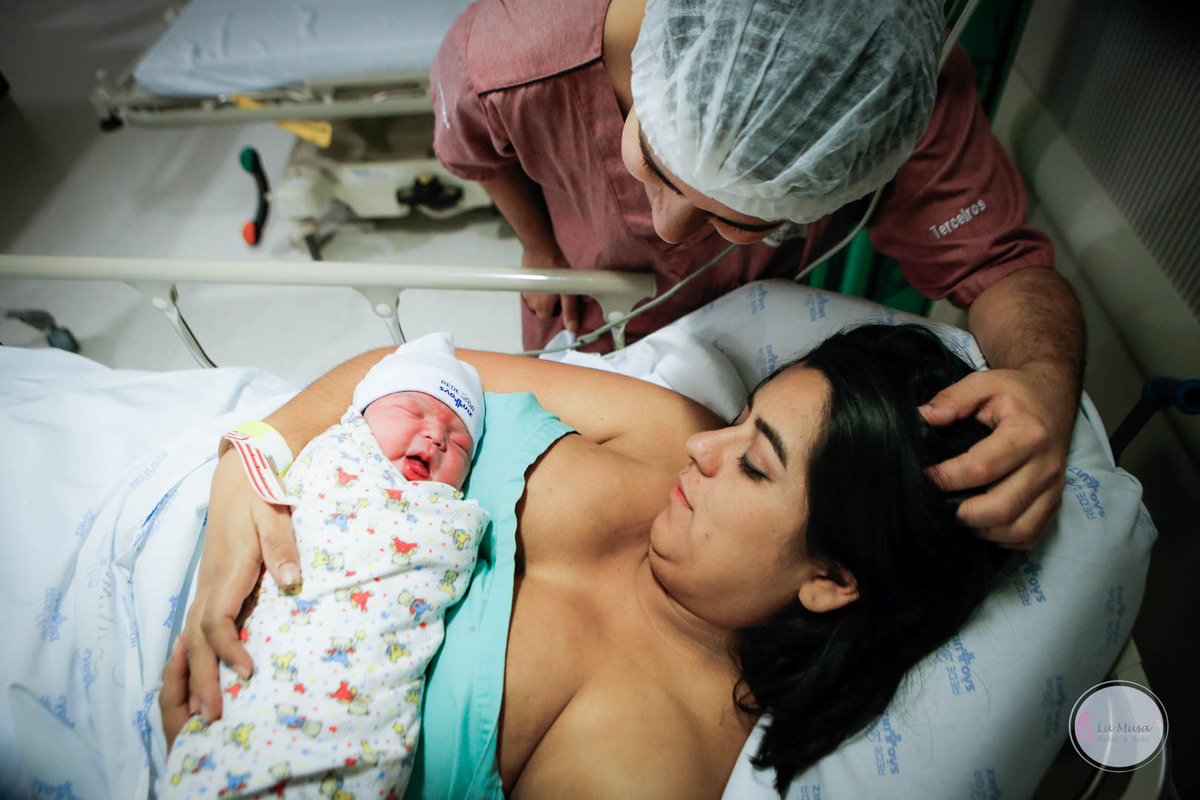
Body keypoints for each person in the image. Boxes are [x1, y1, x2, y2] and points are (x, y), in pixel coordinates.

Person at [164, 323, 1017, 797]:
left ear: (831, 580)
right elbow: (399, 374)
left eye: (756, 465)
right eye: (743, 416)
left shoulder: (646, 771)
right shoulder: (661, 434)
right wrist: (249, 464)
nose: (706, 449)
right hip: (190, 503)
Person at [430, 0, 1085, 548]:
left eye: (740, 219)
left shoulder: (880, 102)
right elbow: (477, 149)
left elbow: (1000, 265)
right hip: (585, 309)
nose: (668, 230)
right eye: (653, 160)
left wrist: (1043, 382)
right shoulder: (514, 55)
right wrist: (539, 245)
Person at [162, 333, 488, 798]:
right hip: (257, 686)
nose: (437, 435)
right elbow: (256, 465)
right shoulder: (333, 452)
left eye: (459, 442)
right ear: (358, 416)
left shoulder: (443, 515)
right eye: (413, 412)